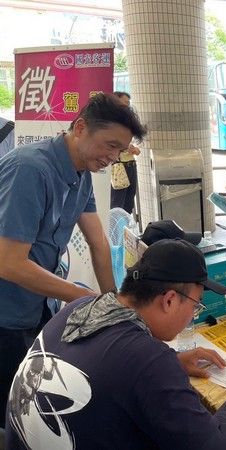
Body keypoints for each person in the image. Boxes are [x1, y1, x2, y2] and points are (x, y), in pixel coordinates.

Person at [5, 238, 226, 449]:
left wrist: (174, 361)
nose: (193, 315)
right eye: (195, 307)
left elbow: (105, 367)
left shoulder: (79, 307)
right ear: (170, 300)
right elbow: (215, 444)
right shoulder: (147, 360)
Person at [0, 93, 147, 428]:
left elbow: (98, 242)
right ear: (80, 127)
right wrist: (89, 300)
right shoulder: (30, 169)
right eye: (109, 146)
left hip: (35, 307)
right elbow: (9, 262)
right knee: (11, 410)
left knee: (31, 400)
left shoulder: (80, 173)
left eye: (119, 151)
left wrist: (114, 304)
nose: (112, 158)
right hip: (5, 314)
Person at [110, 91, 141, 214]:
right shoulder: (109, 122)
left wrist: (136, 150)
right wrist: (122, 147)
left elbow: (135, 143)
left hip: (131, 165)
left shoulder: (127, 121)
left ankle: (126, 231)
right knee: (117, 204)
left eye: (128, 103)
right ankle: (116, 232)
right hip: (119, 167)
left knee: (129, 203)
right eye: (125, 103)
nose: (127, 106)